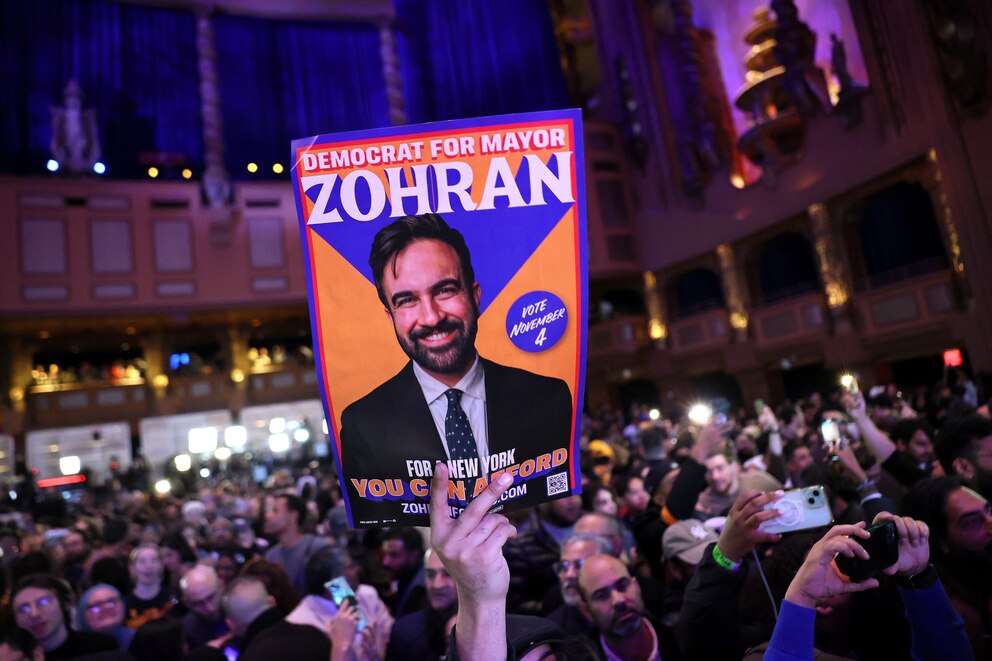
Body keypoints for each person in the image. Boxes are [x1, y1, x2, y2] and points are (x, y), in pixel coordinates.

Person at [339, 213, 574, 525]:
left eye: (444, 290)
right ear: (390, 316)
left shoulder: (548, 396)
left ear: (475, 297)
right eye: (406, 300)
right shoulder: (362, 425)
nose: (431, 317)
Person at [756, 515, 973, 661]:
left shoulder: (887, 642)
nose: (826, 594)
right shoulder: (761, 648)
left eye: (840, 570)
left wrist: (918, 575)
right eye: (802, 574)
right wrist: (803, 596)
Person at [11, 573, 118, 659]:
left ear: (65, 603)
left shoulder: (100, 647)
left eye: (43, 602)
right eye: (23, 609)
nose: (34, 614)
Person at [385, 549, 458, 661]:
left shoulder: (482, 631)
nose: (437, 585)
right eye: (430, 574)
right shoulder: (405, 633)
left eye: (447, 574)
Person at [263, 492, 330, 596]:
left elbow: (340, 588)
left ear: (293, 515)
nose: (267, 516)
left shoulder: (318, 548)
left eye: (275, 511)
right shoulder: (271, 556)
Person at [380, 528, 427, 618]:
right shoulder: (406, 577)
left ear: (414, 556)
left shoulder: (421, 590)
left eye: (393, 555)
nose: (385, 562)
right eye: (385, 554)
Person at [124, 545, 175, 628]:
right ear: (132, 568)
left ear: (161, 565)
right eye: (142, 561)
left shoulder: (172, 599)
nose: (149, 566)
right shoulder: (125, 605)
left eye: (154, 560)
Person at [180, 565, 230, 649]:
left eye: (211, 597)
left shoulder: (241, 607)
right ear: (187, 604)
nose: (209, 608)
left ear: (221, 586)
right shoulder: (187, 629)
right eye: (198, 604)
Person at [76, 583, 135, 651]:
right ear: (82, 614)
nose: (106, 608)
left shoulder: (138, 639)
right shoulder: (76, 648)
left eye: (111, 602)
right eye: (96, 606)